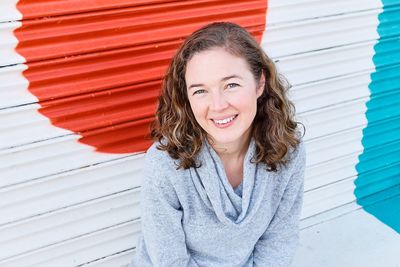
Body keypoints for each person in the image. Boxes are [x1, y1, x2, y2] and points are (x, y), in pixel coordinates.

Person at [129, 21, 306, 267]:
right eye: (200, 91)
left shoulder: (289, 151)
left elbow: (278, 240)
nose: (218, 105)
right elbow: (170, 261)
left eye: (231, 85)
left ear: (259, 84)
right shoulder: (164, 164)